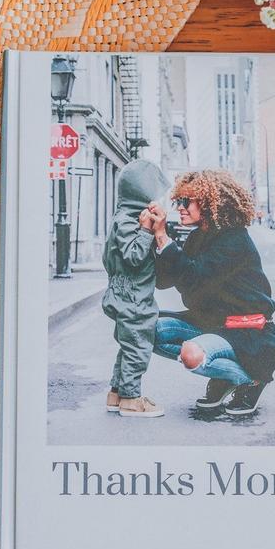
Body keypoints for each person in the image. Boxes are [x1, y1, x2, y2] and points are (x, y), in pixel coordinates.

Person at [149, 170, 275, 415]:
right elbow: (166, 281)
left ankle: (247, 380)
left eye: (187, 201)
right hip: (211, 323)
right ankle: (224, 378)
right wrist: (154, 237)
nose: (180, 207)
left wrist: (163, 237)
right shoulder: (198, 237)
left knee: (192, 355)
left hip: (248, 333)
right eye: (179, 201)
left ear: (210, 203)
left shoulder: (234, 240)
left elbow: (193, 276)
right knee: (145, 330)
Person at [101, 159, 171, 417]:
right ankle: (131, 399)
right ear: (142, 191)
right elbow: (133, 256)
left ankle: (116, 394)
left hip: (122, 293)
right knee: (138, 348)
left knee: (128, 346)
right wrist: (145, 231)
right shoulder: (132, 220)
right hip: (134, 297)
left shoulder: (121, 217)